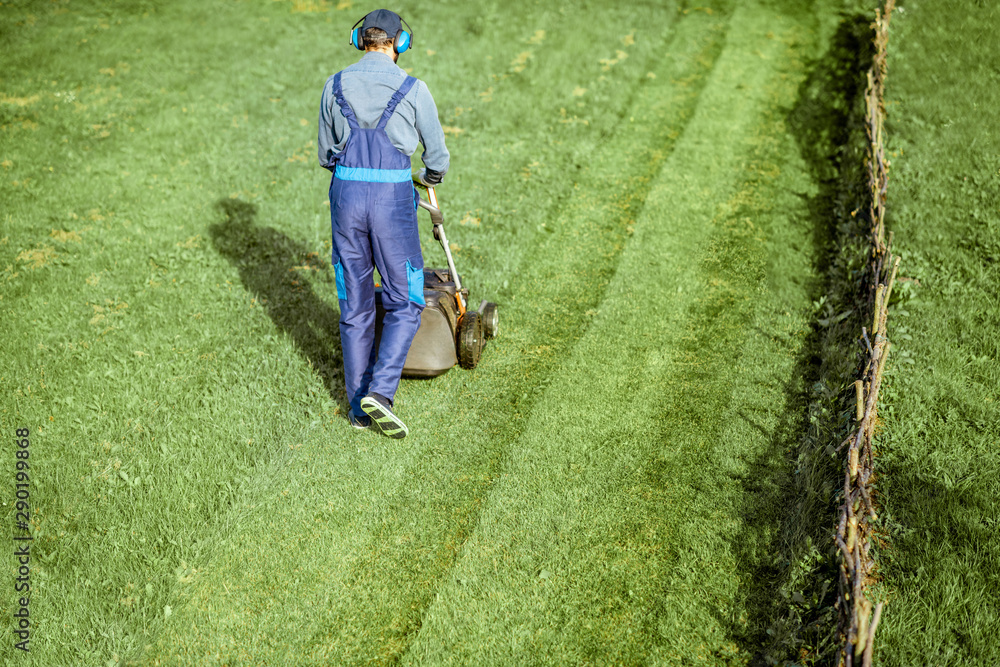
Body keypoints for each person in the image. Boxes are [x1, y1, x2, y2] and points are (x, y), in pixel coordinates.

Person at [318, 8, 449, 438]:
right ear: (399, 43)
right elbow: (437, 158)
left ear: (360, 39)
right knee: (406, 298)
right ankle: (381, 392)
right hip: (391, 200)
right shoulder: (414, 87)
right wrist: (429, 177)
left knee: (353, 303)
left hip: (346, 198)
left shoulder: (334, 85)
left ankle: (357, 410)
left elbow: (325, 156)